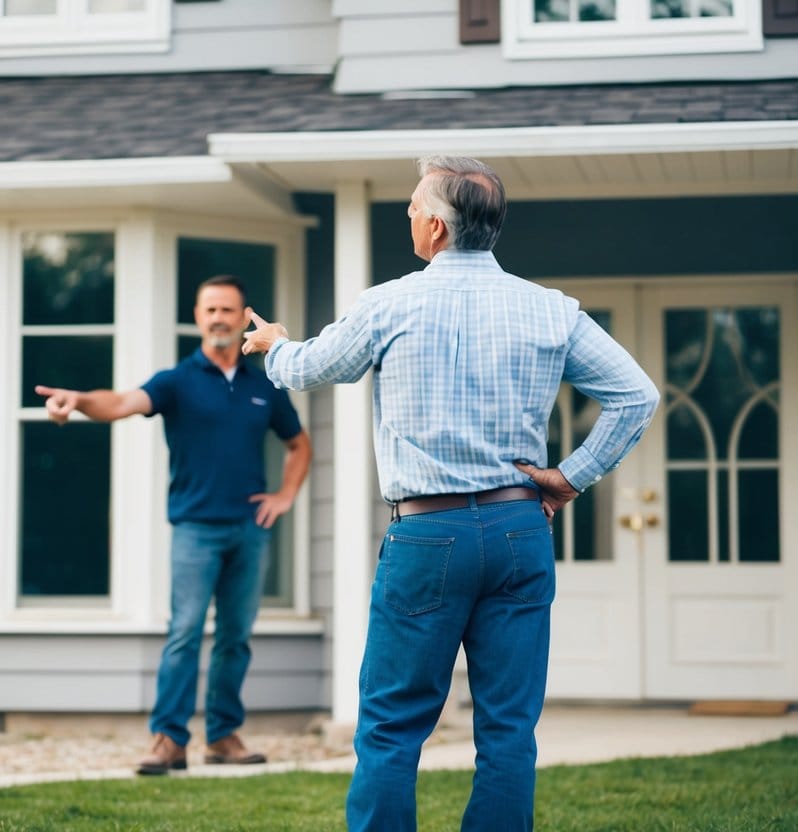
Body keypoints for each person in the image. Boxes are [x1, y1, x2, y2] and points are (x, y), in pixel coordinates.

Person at [242, 156, 659, 831]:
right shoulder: (549, 309)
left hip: (427, 538)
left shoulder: (390, 302)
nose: (407, 215)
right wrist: (570, 475)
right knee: (507, 730)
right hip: (519, 529)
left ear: (435, 226)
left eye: (412, 207)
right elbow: (635, 396)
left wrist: (275, 343)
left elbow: (312, 367)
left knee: (391, 726)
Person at [36, 274, 312, 774]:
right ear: (197, 317)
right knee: (184, 631)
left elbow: (299, 444)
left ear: (242, 314)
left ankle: (223, 736)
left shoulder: (263, 384)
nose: (218, 319)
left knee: (236, 637)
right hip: (195, 530)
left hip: (249, 532)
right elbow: (121, 403)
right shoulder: (177, 381)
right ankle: (168, 740)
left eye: (227, 310)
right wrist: (78, 400)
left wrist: (285, 494)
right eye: (209, 310)